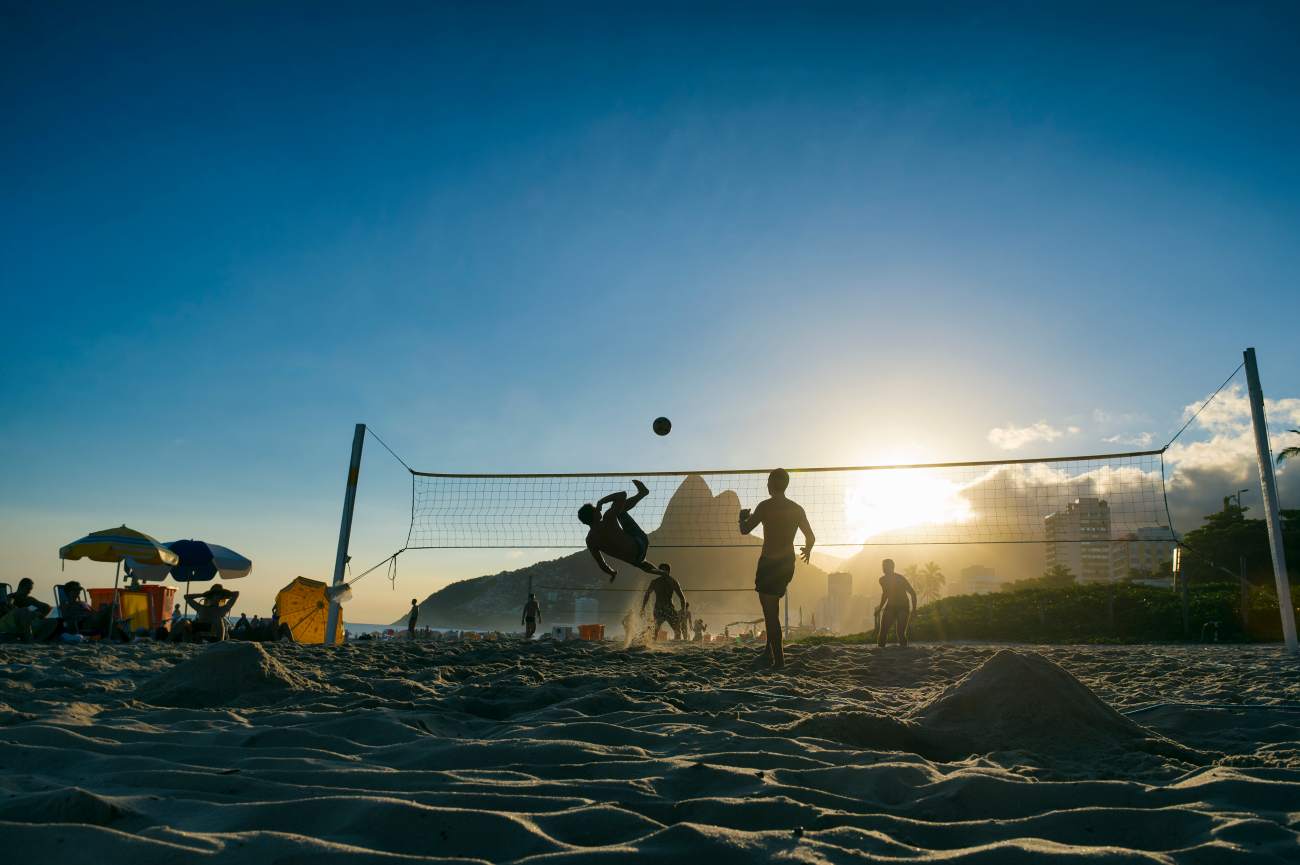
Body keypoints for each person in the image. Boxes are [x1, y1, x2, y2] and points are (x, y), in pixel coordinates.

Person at [739, 468, 815, 670]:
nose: (766, 484)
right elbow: (811, 537)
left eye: (768, 481)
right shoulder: (796, 508)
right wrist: (807, 550)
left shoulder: (765, 506)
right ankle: (768, 652)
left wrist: (741, 517)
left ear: (772, 484)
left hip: (769, 563)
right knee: (772, 610)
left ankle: (778, 661)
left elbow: (745, 530)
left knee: (770, 614)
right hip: (787, 563)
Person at [579, 480, 667, 582]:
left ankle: (662, 573)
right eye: (596, 509)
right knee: (619, 511)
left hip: (636, 559)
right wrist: (601, 502)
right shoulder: (608, 517)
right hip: (640, 543)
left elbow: (601, 563)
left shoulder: (590, 540)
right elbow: (622, 495)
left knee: (640, 562)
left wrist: (612, 573)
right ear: (594, 514)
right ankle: (642, 493)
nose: (598, 510)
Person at [874, 559, 917, 648]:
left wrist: (914, 610)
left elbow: (912, 593)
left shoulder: (900, 578)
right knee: (883, 632)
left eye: (886, 566)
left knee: (900, 633)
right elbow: (885, 594)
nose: (884, 568)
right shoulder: (882, 580)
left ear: (892, 567)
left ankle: (904, 652)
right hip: (890, 606)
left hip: (903, 607)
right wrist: (880, 608)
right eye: (883, 566)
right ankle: (880, 652)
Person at [640, 564, 685, 642]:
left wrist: (683, 611)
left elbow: (682, 597)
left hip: (668, 608)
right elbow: (647, 594)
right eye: (661, 570)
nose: (662, 572)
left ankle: (677, 646)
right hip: (660, 608)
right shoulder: (656, 582)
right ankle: (650, 646)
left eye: (664, 570)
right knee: (655, 631)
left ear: (668, 572)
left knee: (677, 630)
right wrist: (643, 607)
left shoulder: (672, 582)